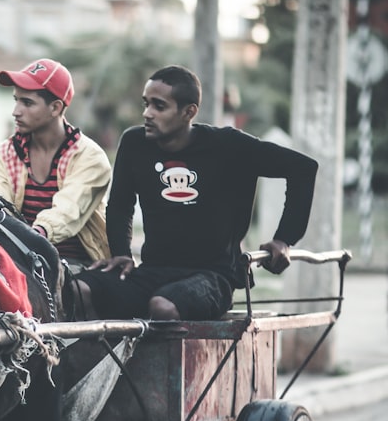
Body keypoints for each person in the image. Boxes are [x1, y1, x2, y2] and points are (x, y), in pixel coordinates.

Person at [73, 65, 318, 321]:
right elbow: (121, 205)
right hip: (153, 271)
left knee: (163, 307)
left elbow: (303, 169)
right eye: (146, 104)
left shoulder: (228, 146)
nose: (147, 113)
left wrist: (284, 239)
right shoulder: (135, 143)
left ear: (188, 112)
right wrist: (122, 253)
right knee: (81, 290)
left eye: (159, 106)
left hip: (213, 277)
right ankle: (99, 361)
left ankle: (164, 363)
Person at [0, 58, 112, 271]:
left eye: (27, 103)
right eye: (16, 100)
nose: (16, 111)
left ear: (55, 108)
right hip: (18, 260)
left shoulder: (89, 158)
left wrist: (37, 235)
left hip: (80, 265)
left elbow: (68, 211)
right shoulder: (4, 154)